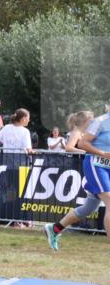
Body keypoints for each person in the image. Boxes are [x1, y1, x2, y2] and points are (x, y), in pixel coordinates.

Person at [43, 99, 110, 250]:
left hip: (107, 167)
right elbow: (82, 143)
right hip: (96, 165)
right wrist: (102, 153)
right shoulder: (100, 121)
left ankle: (54, 228)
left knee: (89, 208)